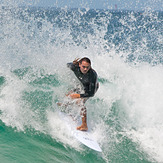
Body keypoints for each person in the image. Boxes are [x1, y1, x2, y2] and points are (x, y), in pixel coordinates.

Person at [66, 57, 99, 131]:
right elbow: (67, 65)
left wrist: (78, 96)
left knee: (80, 102)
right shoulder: (74, 67)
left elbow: (91, 93)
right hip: (82, 84)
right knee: (68, 94)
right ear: (79, 65)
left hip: (90, 89)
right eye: (83, 67)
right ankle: (66, 106)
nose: (85, 69)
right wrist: (73, 63)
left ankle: (84, 125)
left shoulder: (92, 75)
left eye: (87, 67)